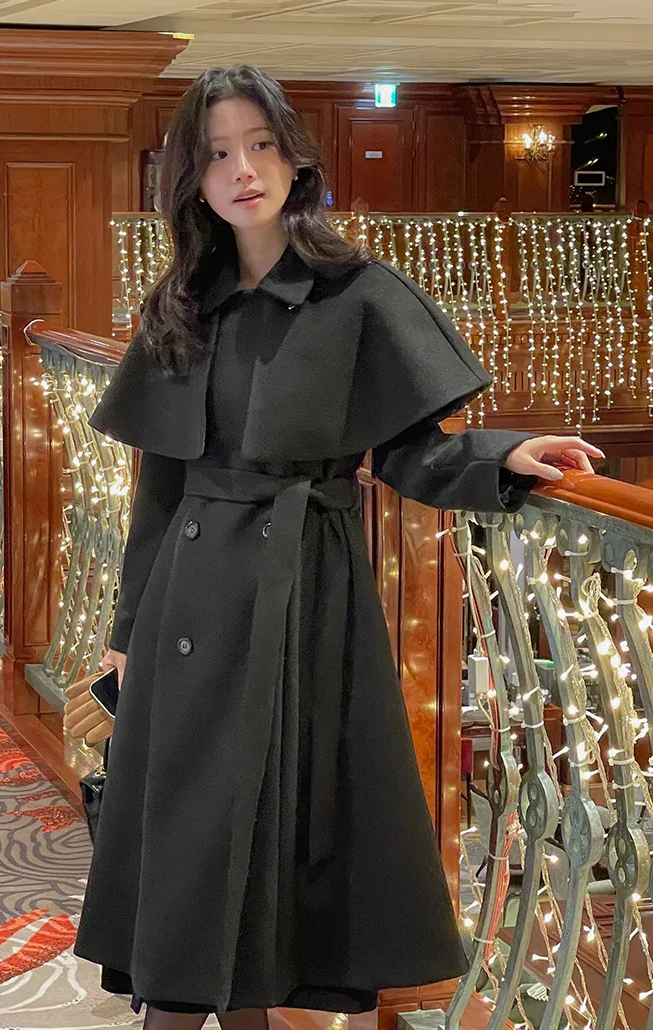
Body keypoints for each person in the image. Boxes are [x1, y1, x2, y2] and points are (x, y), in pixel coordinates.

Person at [73, 64, 603, 1030]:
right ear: (191, 179)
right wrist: (124, 634)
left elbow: (407, 450)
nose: (243, 170)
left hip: (302, 591)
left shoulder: (358, 293)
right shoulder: (180, 303)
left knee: (276, 825)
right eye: (218, 154)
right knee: (188, 827)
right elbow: (159, 489)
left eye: (260, 145)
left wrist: (502, 456)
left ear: (294, 157)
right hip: (188, 599)